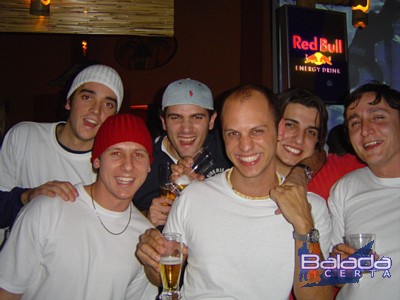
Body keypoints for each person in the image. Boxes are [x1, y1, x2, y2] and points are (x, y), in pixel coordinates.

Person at [136, 84, 333, 299]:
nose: (245, 146)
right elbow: (164, 278)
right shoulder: (192, 198)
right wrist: (152, 262)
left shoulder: (312, 208)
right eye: (233, 133)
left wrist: (303, 225)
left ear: (280, 130)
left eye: (257, 131)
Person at [0, 114, 158, 300]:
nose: (128, 166)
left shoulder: (145, 237)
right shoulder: (48, 209)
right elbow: (7, 291)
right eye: (116, 153)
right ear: (97, 160)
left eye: (138, 154)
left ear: (149, 165)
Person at [0, 64, 123, 230]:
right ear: (69, 101)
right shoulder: (24, 136)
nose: (96, 110)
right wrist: (27, 197)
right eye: (87, 97)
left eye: (108, 104)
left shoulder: (112, 164)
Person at [329, 82, 400, 299]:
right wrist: (344, 266)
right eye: (354, 123)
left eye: (378, 117)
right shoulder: (345, 188)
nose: (365, 130)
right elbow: (337, 277)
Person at [133, 78, 231, 227]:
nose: (186, 129)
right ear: (163, 121)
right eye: (176, 118)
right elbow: (110, 215)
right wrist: (143, 218)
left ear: (212, 120)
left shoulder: (229, 149)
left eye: (197, 117)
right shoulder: (139, 160)